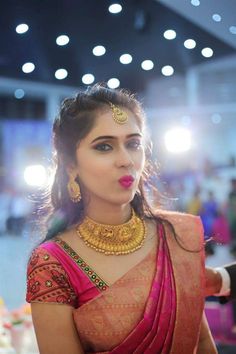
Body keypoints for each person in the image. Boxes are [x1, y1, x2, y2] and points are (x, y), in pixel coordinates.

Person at [26, 84, 218, 353]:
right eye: (104, 146)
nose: (126, 160)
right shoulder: (52, 262)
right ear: (71, 168)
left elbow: (201, 341)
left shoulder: (177, 235)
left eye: (133, 144)